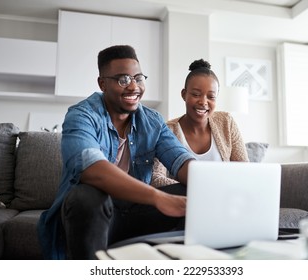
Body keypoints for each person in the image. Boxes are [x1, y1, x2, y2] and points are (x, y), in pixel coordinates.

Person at [37, 45, 196, 260]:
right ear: (103, 83)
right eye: (123, 80)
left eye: (138, 78)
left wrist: (209, 183)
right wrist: (158, 197)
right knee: (86, 196)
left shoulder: (152, 120)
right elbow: (92, 169)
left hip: (136, 211)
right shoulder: (81, 115)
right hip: (96, 214)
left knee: (193, 192)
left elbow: (180, 159)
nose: (133, 87)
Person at [151, 59, 249, 187]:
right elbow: (156, 178)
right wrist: (197, 190)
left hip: (224, 198)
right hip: (184, 202)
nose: (203, 102)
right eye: (196, 94)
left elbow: (244, 170)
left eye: (211, 97)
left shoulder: (226, 122)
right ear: (184, 94)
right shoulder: (167, 130)